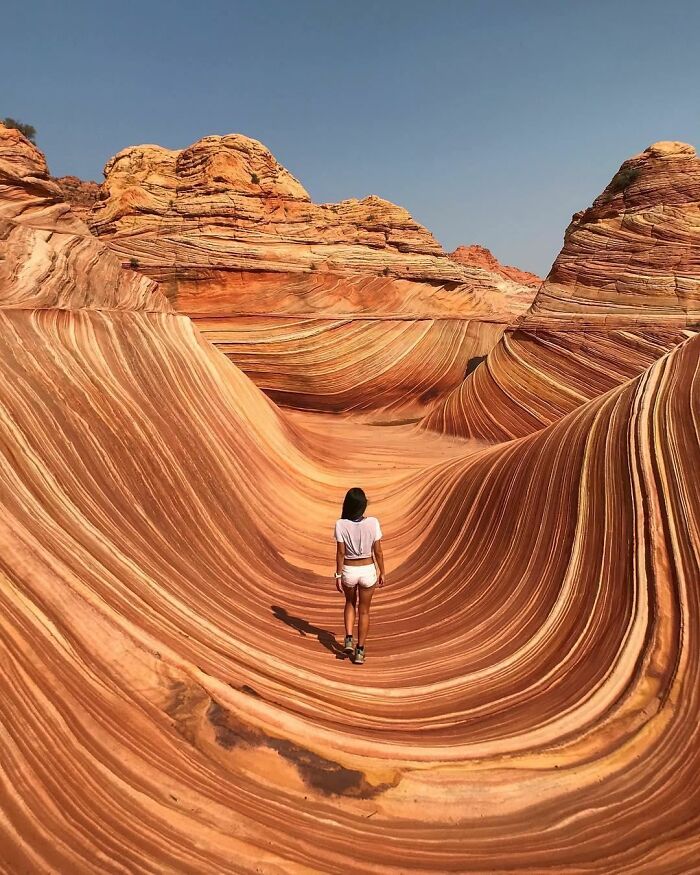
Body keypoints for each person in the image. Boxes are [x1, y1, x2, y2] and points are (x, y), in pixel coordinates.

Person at [333, 487, 385, 664]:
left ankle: (349, 638)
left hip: (349, 570)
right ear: (363, 505)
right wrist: (382, 571)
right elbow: (378, 551)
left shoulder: (340, 524)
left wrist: (338, 575)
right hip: (368, 570)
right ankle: (360, 651)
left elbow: (341, 553)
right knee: (364, 611)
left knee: (349, 603)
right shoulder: (373, 523)